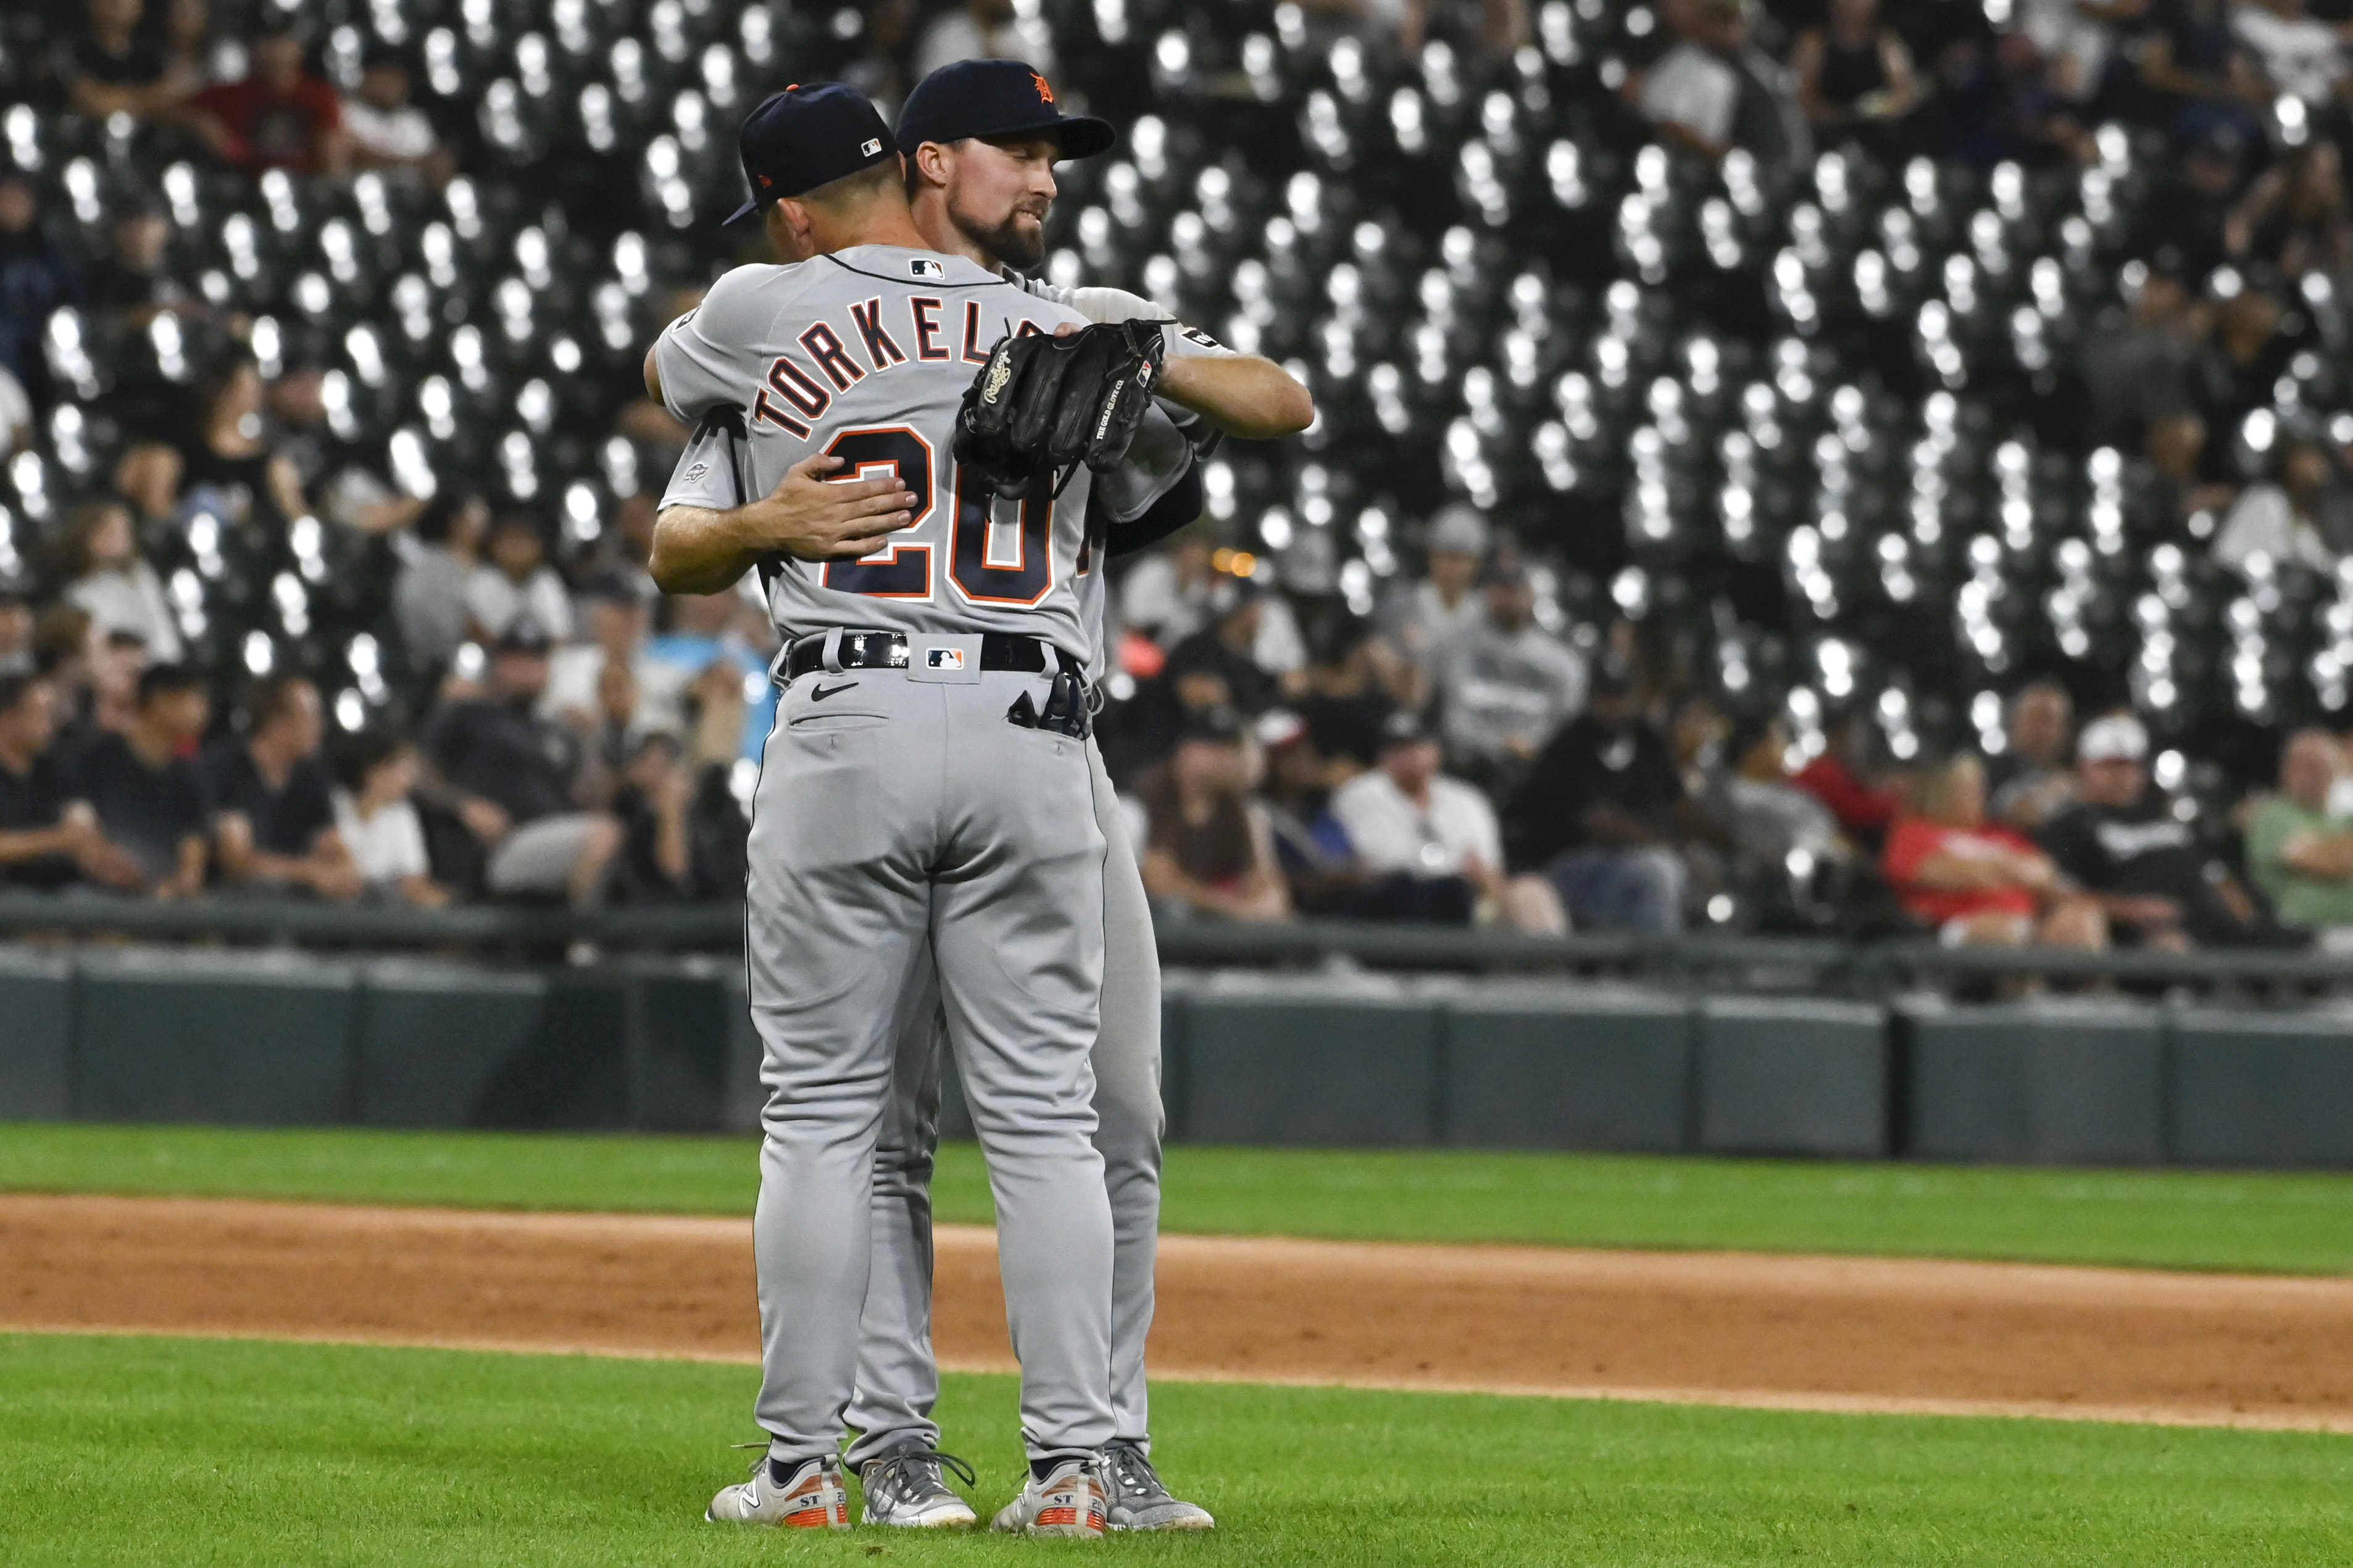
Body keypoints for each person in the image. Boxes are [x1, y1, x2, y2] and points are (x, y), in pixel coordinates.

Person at [652, 64, 1301, 1535]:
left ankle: (807, 1466)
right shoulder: (1064, 321)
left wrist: (777, 493)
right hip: (1023, 715)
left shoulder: (759, 317)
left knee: (825, 1116)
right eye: (1019, 152)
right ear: (925, 165)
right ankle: (1053, 1465)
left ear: (798, 212)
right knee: (1039, 1123)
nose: (1046, 175)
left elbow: (664, 390)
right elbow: (1279, 405)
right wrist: (1117, 345)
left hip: (852, 709)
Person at [422, 621, 622, 910]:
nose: (527, 671)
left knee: (614, 836)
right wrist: (463, 804)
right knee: (602, 835)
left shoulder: (557, 731)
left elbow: (594, 798)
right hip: (500, 848)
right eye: (516, 661)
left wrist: (589, 740)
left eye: (535, 661)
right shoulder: (471, 713)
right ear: (499, 666)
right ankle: (581, 946)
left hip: (556, 842)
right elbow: (417, 769)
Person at [2037, 713, 2273, 948]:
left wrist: (2245, 916)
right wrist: (2128, 910)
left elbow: (2214, 873)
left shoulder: (2168, 817)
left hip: (2212, 930)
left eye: (2130, 766)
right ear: (2083, 767)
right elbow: (2056, 892)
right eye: (2109, 766)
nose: (2122, 777)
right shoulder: (2069, 823)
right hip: (2132, 938)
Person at [1334, 710, 1568, 932]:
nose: (1409, 758)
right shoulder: (1361, 794)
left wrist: (1486, 881)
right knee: (1423, 892)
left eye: (1417, 747)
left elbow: (1491, 874)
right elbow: (1377, 865)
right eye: (1398, 749)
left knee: (1530, 891)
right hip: (1394, 905)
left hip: (1470, 904)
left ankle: (1555, 971)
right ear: (1382, 756)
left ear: (1435, 751)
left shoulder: (1466, 799)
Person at [1506, 669, 1689, 933]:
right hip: (1568, 862)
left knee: (1667, 869)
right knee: (1657, 872)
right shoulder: (1570, 743)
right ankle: (1656, 968)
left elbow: (1678, 801)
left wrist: (1700, 847)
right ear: (1591, 698)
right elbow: (1598, 821)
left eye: (1621, 696)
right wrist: (1671, 846)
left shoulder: (1645, 739)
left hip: (1632, 858)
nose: (1615, 705)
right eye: (1607, 696)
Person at [1881, 753, 2105, 948]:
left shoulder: (1998, 834)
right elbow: (1935, 872)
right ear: (1940, 791)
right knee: (2002, 931)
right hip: (1952, 928)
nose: (1979, 797)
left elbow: (2042, 870)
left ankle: (2096, 994)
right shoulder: (1914, 831)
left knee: (2084, 916)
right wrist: (2010, 870)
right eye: (1967, 790)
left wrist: (1994, 871)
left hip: (2027, 925)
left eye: (1979, 789)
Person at [1433, 551, 1586, 792]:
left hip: (1539, 774)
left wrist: (1533, 744)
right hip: (1472, 769)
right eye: (1500, 588)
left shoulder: (1562, 662)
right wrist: (1499, 745)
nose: (1508, 597)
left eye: (1516, 588)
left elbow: (1568, 726)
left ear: (1532, 594)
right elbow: (1454, 721)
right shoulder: (1459, 648)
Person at [202, 676, 359, 900]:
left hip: (298, 890)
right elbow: (238, 862)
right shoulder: (226, 767)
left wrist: (345, 873)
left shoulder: (311, 775)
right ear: (276, 723)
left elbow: (333, 846)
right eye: (310, 718)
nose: (320, 727)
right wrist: (310, 873)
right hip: (237, 897)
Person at [67, 661, 211, 898]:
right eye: (193, 700)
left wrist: (168, 892)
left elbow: (192, 858)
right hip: (99, 893)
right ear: (160, 701)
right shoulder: (98, 758)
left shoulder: (190, 777)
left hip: (165, 904)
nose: (203, 711)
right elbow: (80, 831)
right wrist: (106, 861)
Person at [1135, 705, 1291, 921]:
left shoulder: (1238, 808)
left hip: (1226, 923)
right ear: (1186, 750)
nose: (1226, 758)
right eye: (1214, 748)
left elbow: (1266, 886)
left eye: (1230, 748)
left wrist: (1253, 906)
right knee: (1173, 910)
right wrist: (1227, 907)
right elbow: (1159, 881)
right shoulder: (1151, 796)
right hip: (1163, 925)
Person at [0, 673, 141, 892]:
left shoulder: (52, 769)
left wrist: (109, 860)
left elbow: (80, 830)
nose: (50, 724)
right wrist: (58, 839)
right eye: (41, 714)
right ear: (8, 718)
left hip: (62, 889)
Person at [1636, 0, 1811, 171]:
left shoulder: (1759, 64)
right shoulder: (1686, 61)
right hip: (1712, 177)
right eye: (1723, 19)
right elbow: (1666, 123)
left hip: (1781, 171)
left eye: (1737, 19)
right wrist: (1726, 156)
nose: (1732, 28)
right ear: (1705, 20)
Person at [186, 27, 349, 176]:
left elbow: (332, 149)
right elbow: (180, 107)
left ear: (299, 49)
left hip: (305, 184)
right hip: (246, 183)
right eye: (270, 44)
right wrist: (203, 122)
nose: (277, 52)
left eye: (284, 43)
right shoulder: (233, 94)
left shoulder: (320, 95)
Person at [2245, 729, 2353, 942]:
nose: (2311, 775)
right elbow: (2324, 861)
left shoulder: (2342, 818)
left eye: (2319, 767)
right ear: (2285, 771)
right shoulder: (2274, 814)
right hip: (2306, 938)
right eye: (2302, 766)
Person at [1380, 503, 1488, 700]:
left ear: (1476, 563)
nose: (1451, 568)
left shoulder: (1485, 612)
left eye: (1460, 559)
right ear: (1431, 557)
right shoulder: (1403, 605)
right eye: (1444, 557)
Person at [330, 726, 446, 906]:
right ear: (374, 771)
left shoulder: (402, 814)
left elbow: (414, 880)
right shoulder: (332, 806)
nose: (409, 779)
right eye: (401, 768)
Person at [59, 499, 182, 663]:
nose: (121, 539)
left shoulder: (142, 576)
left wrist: (168, 666)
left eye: (125, 532)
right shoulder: (78, 593)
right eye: (111, 532)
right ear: (89, 536)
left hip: (157, 667)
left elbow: (163, 629)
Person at [1789, 0, 1922, 138]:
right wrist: (1841, 114)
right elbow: (1800, 99)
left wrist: (1879, 108)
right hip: (1823, 136)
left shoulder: (1888, 46)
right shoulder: (1813, 44)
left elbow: (1905, 94)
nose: (1852, 5)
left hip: (1875, 137)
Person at [2213, 440, 2343, 577]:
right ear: (2291, 464)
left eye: (2321, 463)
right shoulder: (2267, 501)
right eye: (2309, 461)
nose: (2316, 470)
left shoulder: (2309, 526)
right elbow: (2225, 556)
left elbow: (2325, 568)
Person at [0, 174, 78, 399]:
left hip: (46, 337)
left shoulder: (50, 251)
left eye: (20, 199)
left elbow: (72, 301)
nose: (13, 206)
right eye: (6, 199)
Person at [393, 490, 489, 670]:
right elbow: (413, 606)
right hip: (438, 661)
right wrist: (463, 629)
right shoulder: (427, 566)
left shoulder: (489, 565)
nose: (482, 522)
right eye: (475, 515)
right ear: (455, 521)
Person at [343, 48, 451, 185]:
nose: (392, 86)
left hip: (411, 197)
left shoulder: (413, 119)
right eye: (385, 78)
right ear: (368, 77)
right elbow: (357, 157)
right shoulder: (349, 111)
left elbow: (434, 164)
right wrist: (415, 163)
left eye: (397, 79)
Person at [59, 0, 182, 122]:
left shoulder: (154, 55)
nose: (120, 3)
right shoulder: (74, 51)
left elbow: (170, 96)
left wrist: (114, 98)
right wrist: (146, 99)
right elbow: (90, 100)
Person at [465, 511, 576, 645]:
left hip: (541, 659)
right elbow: (475, 629)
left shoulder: (547, 581)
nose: (517, 549)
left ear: (538, 547)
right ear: (495, 547)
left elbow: (561, 634)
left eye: (524, 542)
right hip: (495, 658)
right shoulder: (482, 580)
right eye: (510, 542)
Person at [1985, 681, 2076, 830]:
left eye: (2053, 721)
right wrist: (2053, 793)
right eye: (2037, 719)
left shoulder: (2072, 771)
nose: (2044, 731)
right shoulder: (1992, 771)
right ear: (2014, 721)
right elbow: (2017, 816)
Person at [914, 0, 1056, 80]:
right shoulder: (947, 33)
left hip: (1020, 119)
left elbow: (1048, 88)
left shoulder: (1030, 32)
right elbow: (930, 90)